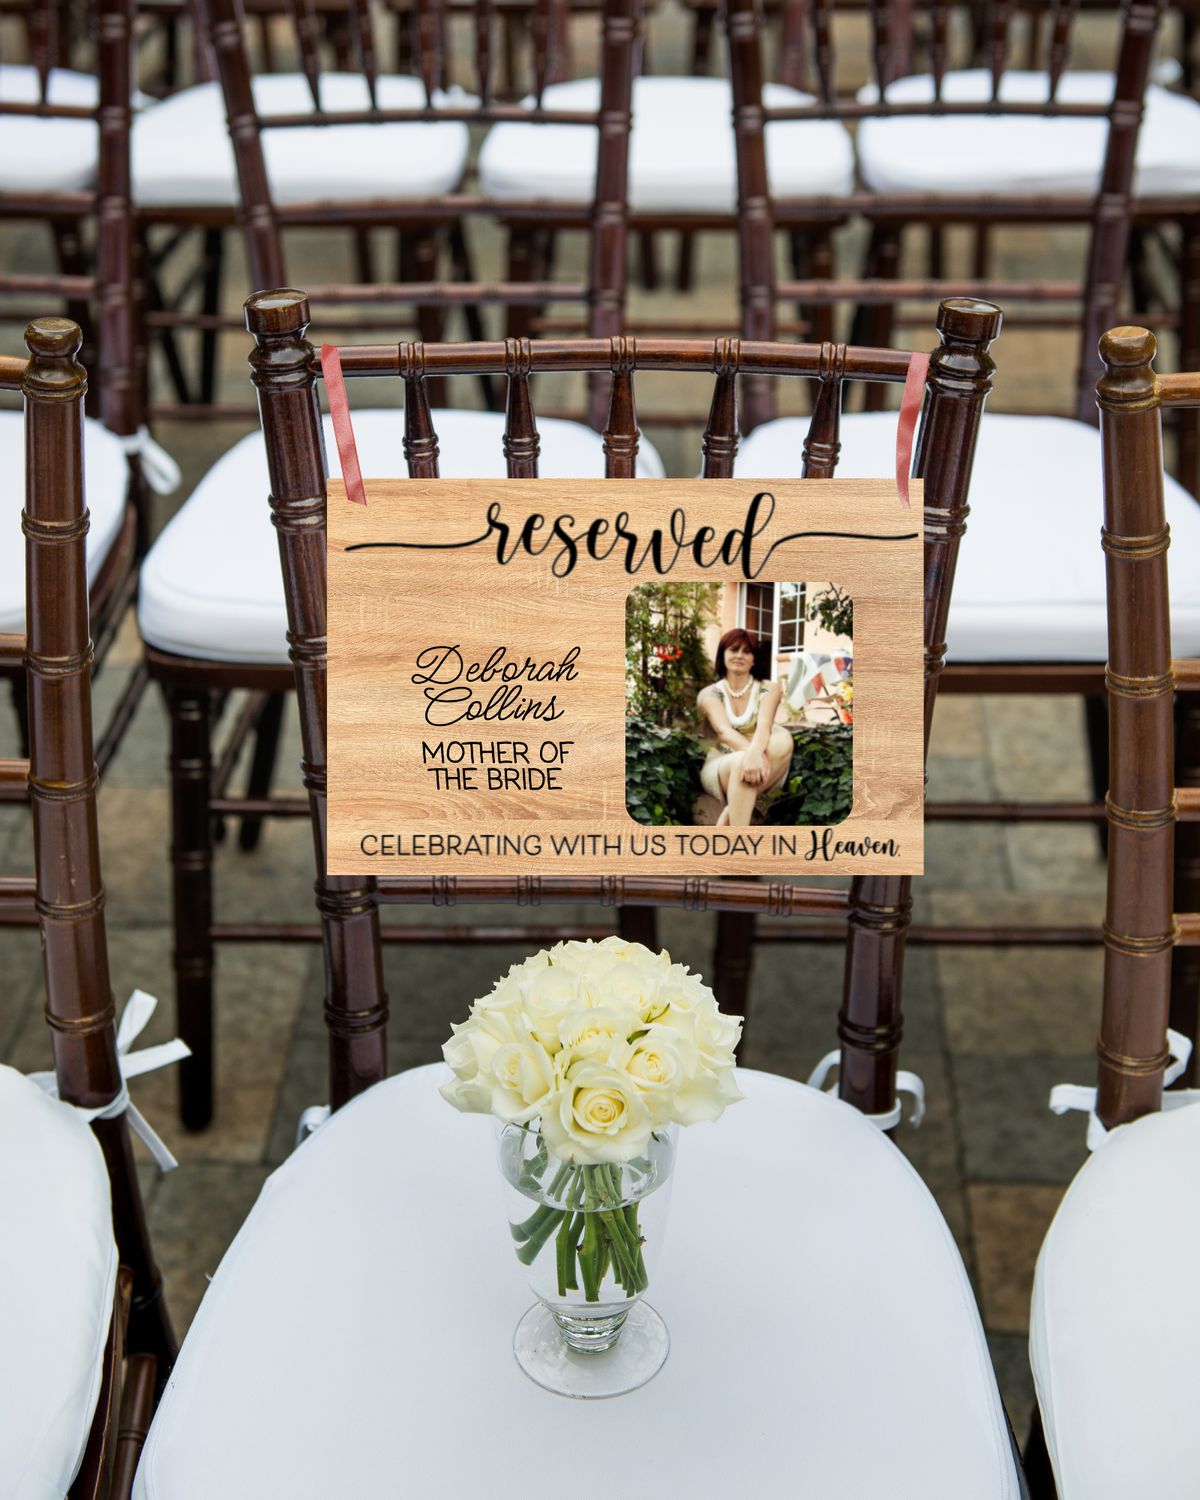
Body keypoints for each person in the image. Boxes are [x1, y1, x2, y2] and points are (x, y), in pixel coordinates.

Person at [696, 628, 794, 827]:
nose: (740, 655)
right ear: (723, 655)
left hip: (763, 759)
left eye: (747, 651)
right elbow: (724, 733)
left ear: (754, 659)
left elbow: (764, 726)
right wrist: (752, 755)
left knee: (783, 740)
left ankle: (730, 810)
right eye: (734, 650)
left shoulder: (770, 688)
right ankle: (739, 838)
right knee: (742, 761)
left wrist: (755, 753)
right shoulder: (709, 694)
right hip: (722, 764)